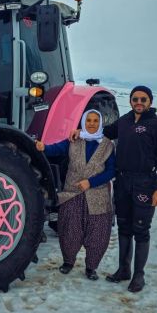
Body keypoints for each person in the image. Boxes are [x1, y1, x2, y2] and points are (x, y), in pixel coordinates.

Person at [71, 85, 157, 293]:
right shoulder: (124, 121)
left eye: (143, 99)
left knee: (141, 229)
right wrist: (81, 132)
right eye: (135, 98)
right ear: (131, 101)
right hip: (122, 181)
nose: (139, 102)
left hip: (145, 182)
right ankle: (124, 269)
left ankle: (139, 275)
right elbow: (103, 131)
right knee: (125, 227)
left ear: (150, 102)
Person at [36, 109, 116, 280]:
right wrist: (43, 147)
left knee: (98, 233)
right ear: (83, 122)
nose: (92, 124)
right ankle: (68, 262)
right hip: (72, 193)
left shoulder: (108, 145)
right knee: (69, 229)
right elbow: (55, 149)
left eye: (95, 120)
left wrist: (91, 182)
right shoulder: (74, 140)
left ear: (100, 123)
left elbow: (111, 171)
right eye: (89, 120)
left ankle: (91, 268)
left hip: (97, 196)